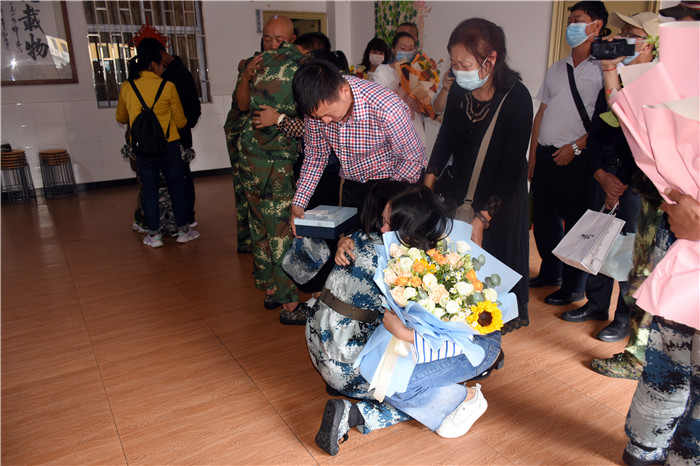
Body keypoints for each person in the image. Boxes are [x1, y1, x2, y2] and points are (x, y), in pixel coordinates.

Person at [307, 183, 502, 456]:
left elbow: (454, 337)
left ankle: (465, 392)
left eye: (389, 223)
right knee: (393, 379)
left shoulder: (430, 270)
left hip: (473, 343)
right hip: (371, 359)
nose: (382, 228)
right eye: (383, 220)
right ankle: (461, 396)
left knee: (399, 377)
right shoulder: (401, 264)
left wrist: (406, 335)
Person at [424, 18, 533, 333]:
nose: (458, 71)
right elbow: (445, 139)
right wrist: (427, 186)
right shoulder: (459, 89)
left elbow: (511, 167)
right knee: (455, 265)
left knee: (491, 273)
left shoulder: (517, 98)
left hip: (499, 195)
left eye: (465, 64)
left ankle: (490, 328)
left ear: (491, 59)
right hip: (461, 184)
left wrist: (484, 217)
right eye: (454, 63)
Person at [560, 11, 660, 343]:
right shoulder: (614, 79)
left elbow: (647, 144)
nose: (622, 40)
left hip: (636, 183)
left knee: (630, 251)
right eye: (623, 33)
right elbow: (597, 132)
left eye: (632, 35)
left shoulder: (656, 86)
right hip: (604, 173)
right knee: (600, 239)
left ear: (649, 46)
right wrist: (600, 173)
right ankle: (596, 304)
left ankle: (623, 317)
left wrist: (622, 182)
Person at [529, 1, 608, 307]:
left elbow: (605, 122)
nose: (571, 26)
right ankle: (552, 273)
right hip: (547, 156)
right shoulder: (557, 68)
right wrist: (533, 155)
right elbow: (542, 112)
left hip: (579, 159)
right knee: (545, 220)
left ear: (596, 26)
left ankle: (575, 287)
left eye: (578, 20)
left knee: (578, 225)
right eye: (569, 21)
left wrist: (575, 147)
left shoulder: (603, 70)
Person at [290, 59, 426, 226]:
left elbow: (412, 159)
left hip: (390, 182)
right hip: (351, 183)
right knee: (349, 239)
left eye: (329, 114)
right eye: (319, 117)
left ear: (344, 91)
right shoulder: (316, 108)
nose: (325, 121)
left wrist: (390, 202)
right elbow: (316, 156)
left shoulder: (386, 106)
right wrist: (299, 202)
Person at [235, 15, 307, 323]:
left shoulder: (300, 67)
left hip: (275, 162)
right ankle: (283, 301)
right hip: (254, 161)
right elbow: (242, 106)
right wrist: (245, 78)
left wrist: (279, 119)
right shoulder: (256, 64)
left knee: (272, 229)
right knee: (269, 230)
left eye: (280, 40)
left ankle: (276, 292)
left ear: (291, 40)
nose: (273, 45)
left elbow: (311, 123)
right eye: (267, 38)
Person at [622, 191, 699, 465]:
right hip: (683, 228)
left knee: (669, 357)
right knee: (670, 353)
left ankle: (645, 446)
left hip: (681, 234)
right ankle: (675, 455)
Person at [115, 39, 199, 248]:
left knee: (149, 191)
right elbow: (181, 121)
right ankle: (183, 232)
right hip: (169, 146)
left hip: (142, 148)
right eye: (161, 65)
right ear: (154, 64)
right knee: (176, 188)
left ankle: (154, 236)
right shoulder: (168, 86)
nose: (162, 69)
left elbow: (121, 117)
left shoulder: (127, 87)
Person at [373, 32, 426, 146]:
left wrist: (416, 104)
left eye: (410, 49)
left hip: (414, 130)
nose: (406, 52)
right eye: (403, 48)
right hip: (392, 131)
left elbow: (424, 108)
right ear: (393, 49)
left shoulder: (417, 72)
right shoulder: (383, 70)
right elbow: (379, 100)